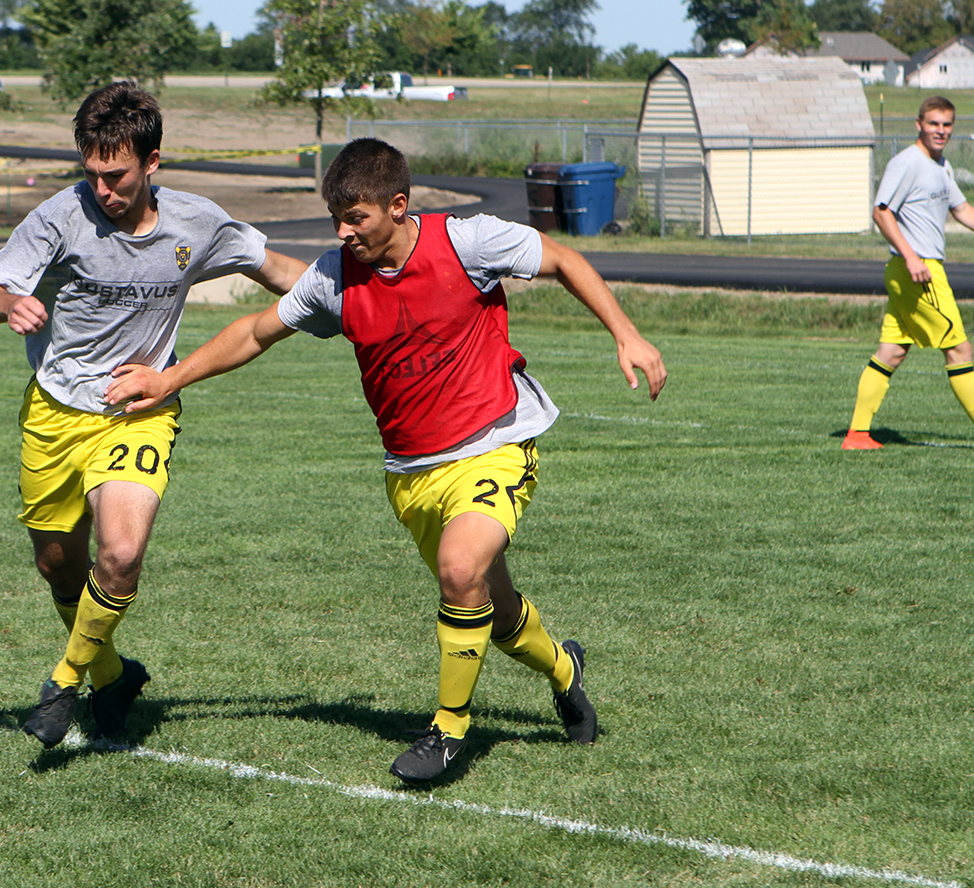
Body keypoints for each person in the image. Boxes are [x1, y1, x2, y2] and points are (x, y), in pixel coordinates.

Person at [104, 138, 666, 782]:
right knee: (494, 605)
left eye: (357, 219)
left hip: (496, 445)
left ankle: (448, 732)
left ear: (398, 206)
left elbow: (564, 259)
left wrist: (628, 335)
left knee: (460, 571)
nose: (343, 233)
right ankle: (564, 669)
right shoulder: (336, 275)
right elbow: (258, 331)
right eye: (336, 219)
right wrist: (170, 379)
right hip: (412, 473)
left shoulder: (468, 242)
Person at [0, 82, 307, 748]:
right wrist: (8, 305)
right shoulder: (58, 217)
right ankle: (115, 675)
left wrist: (365, 291)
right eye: (90, 173)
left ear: (152, 163)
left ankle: (64, 685)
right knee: (60, 567)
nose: (102, 189)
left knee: (119, 557)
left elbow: (279, 270)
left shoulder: (196, 223)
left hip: (140, 409)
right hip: (55, 411)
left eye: (115, 175)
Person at [845, 95, 974, 450]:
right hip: (917, 271)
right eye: (933, 123)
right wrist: (912, 257)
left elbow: (962, 209)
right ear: (919, 124)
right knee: (960, 350)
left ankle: (857, 435)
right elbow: (882, 211)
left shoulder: (941, 166)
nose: (941, 131)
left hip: (913, 270)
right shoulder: (907, 163)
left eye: (947, 125)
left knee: (892, 352)